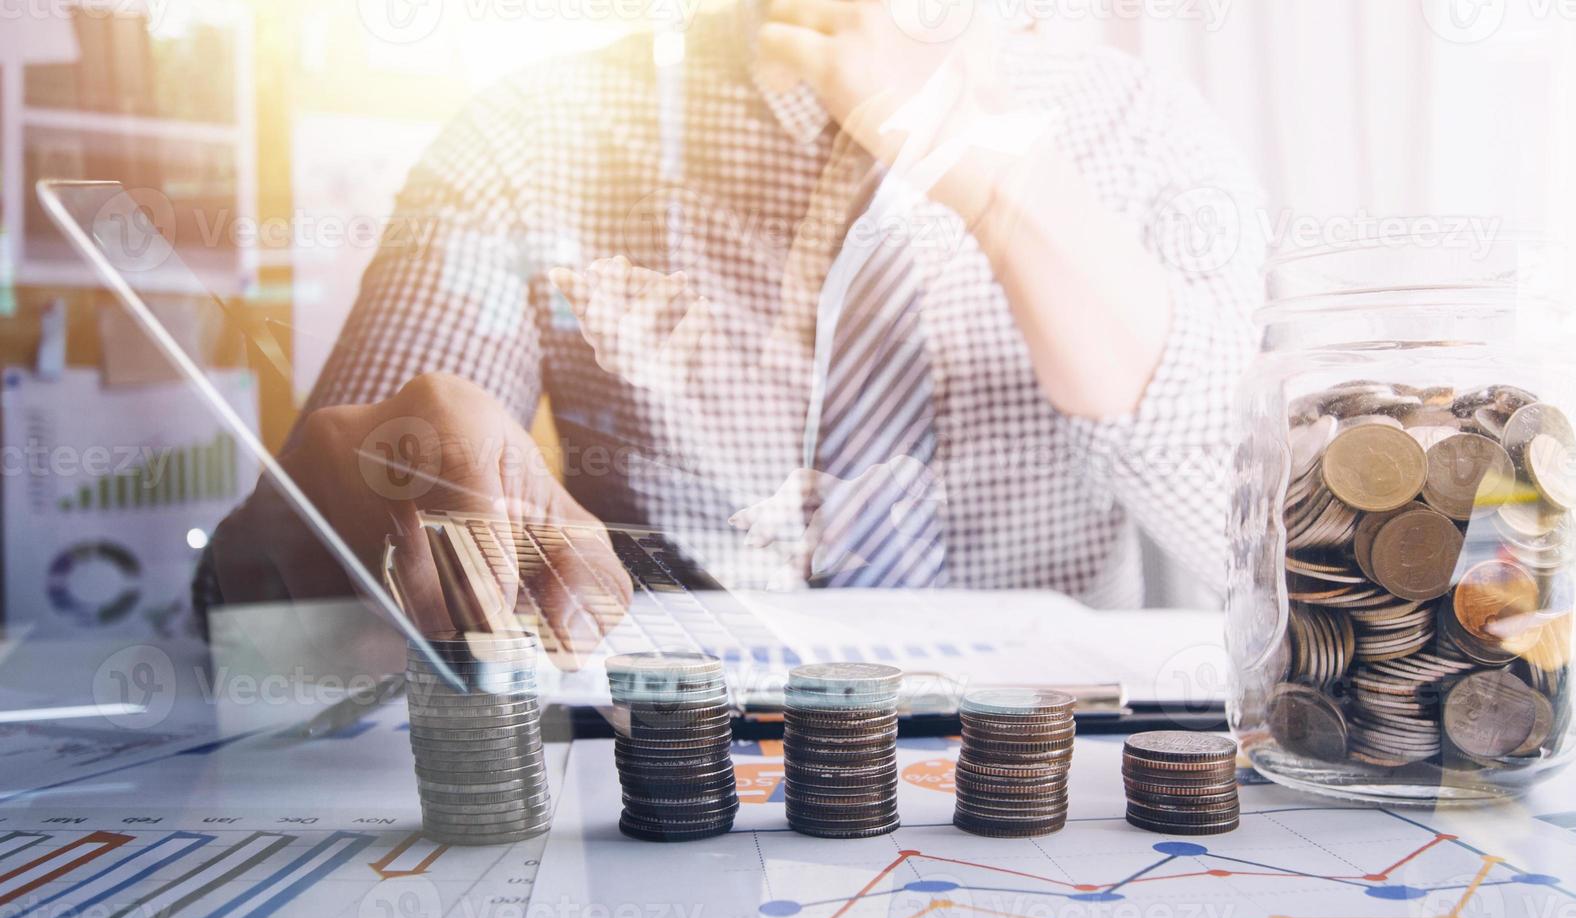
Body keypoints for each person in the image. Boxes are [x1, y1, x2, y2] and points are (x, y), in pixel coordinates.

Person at [207, 0, 1266, 660]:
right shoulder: (532, 135)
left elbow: (1266, 565)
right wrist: (361, 492)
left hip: (1047, 795)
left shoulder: (1149, 132)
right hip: (671, 793)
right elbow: (243, 619)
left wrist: (990, 173)